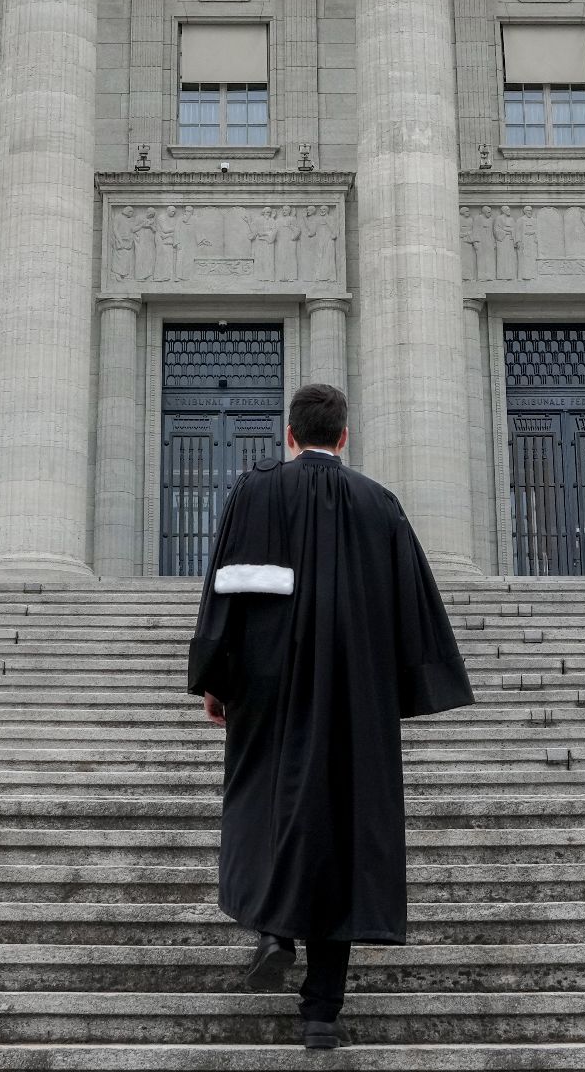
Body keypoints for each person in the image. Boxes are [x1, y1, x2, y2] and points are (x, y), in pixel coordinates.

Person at [187, 384, 475, 1050]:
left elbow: (226, 590)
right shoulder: (381, 506)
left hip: (269, 689)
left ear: (290, 435)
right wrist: (399, 692)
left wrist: (213, 680)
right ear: (343, 437)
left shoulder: (254, 493)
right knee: (345, 832)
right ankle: (322, 1014)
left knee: (267, 804)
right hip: (355, 694)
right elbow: (412, 614)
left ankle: (272, 927)